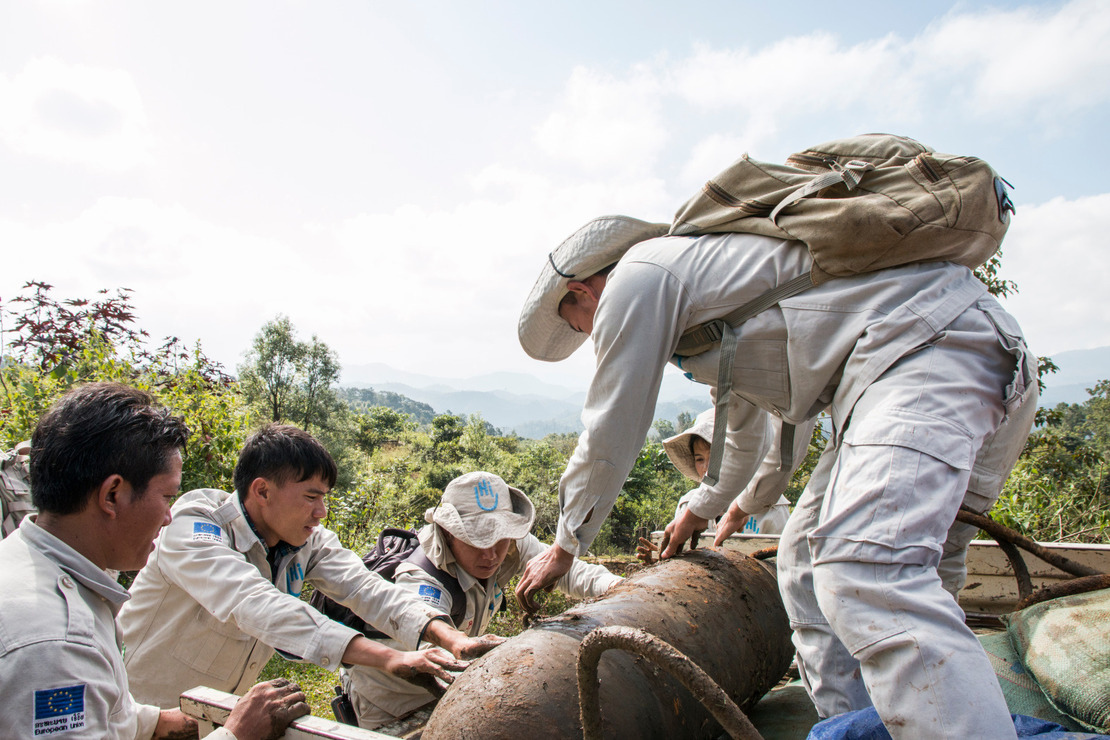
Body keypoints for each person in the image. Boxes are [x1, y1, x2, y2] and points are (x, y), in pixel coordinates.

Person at [514, 215, 1038, 739]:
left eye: (580, 325)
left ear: (583, 292)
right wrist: (718, 506)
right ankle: (857, 728)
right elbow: (758, 437)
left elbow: (612, 426)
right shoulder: (718, 307)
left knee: (866, 566)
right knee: (805, 560)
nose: (590, 334)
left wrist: (565, 546)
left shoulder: (639, 276)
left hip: (930, 355)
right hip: (947, 364)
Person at [0, 382, 308, 740]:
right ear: (112, 494)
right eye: (166, 497)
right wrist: (236, 733)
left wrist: (178, 721)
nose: (167, 518)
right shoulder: (59, 645)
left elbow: (110, 716)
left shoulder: (30, 561)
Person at [120, 423, 502, 710]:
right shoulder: (195, 524)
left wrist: (453, 640)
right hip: (145, 708)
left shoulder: (306, 541)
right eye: (311, 497)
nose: (321, 513)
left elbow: (366, 589)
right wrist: (390, 657)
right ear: (262, 491)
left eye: (325, 499)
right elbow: (256, 604)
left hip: (222, 712)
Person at [341, 471, 622, 728]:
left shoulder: (511, 542)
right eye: (477, 541)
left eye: (498, 539)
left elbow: (570, 572)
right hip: (392, 701)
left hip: (451, 689)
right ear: (450, 534)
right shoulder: (422, 579)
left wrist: (620, 587)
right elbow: (438, 654)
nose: (490, 555)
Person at [661, 408, 797, 539]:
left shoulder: (771, 507)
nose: (706, 467)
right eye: (699, 459)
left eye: (715, 457)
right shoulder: (687, 504)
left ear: (734, 459)